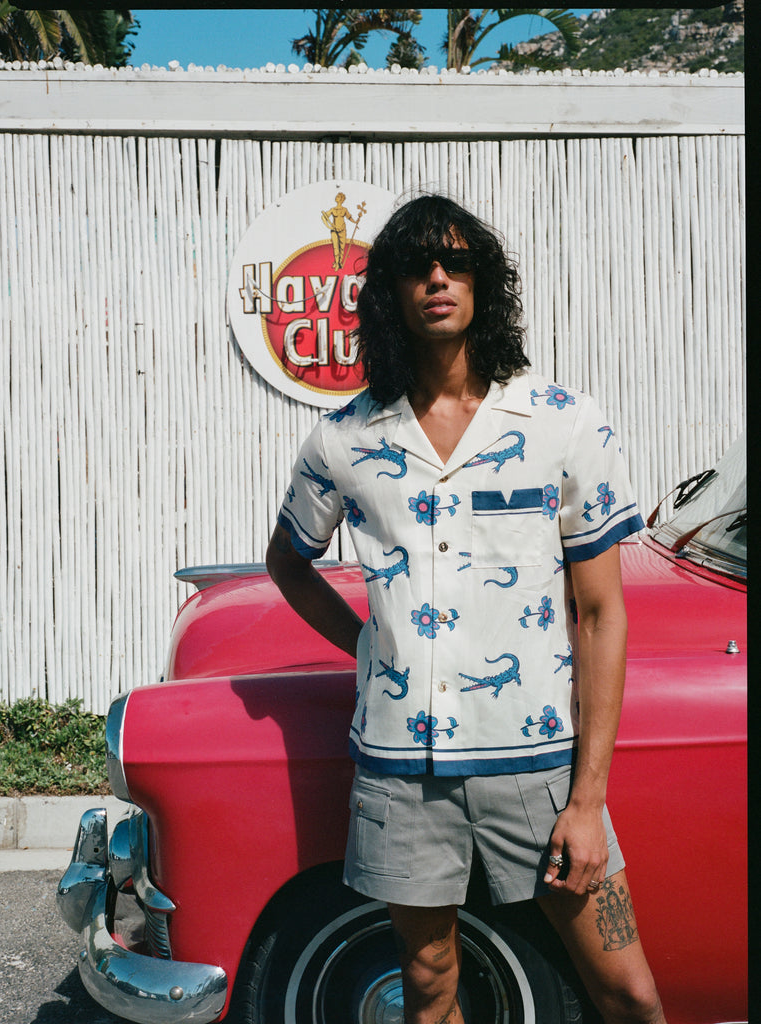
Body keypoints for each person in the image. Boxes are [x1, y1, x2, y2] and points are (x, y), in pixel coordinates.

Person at [266, 193, 666, 1024]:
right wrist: (375, 642)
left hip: (542, 767)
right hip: (402, 774)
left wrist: (587, 803)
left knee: (628, 992)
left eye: (455, 262)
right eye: (416, 266)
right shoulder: (345, 440)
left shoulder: (561, 424)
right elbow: (289, 561)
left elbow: (602, 615)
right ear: (390, 294)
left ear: (484, 283)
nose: (437, 278)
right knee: (429, 987)